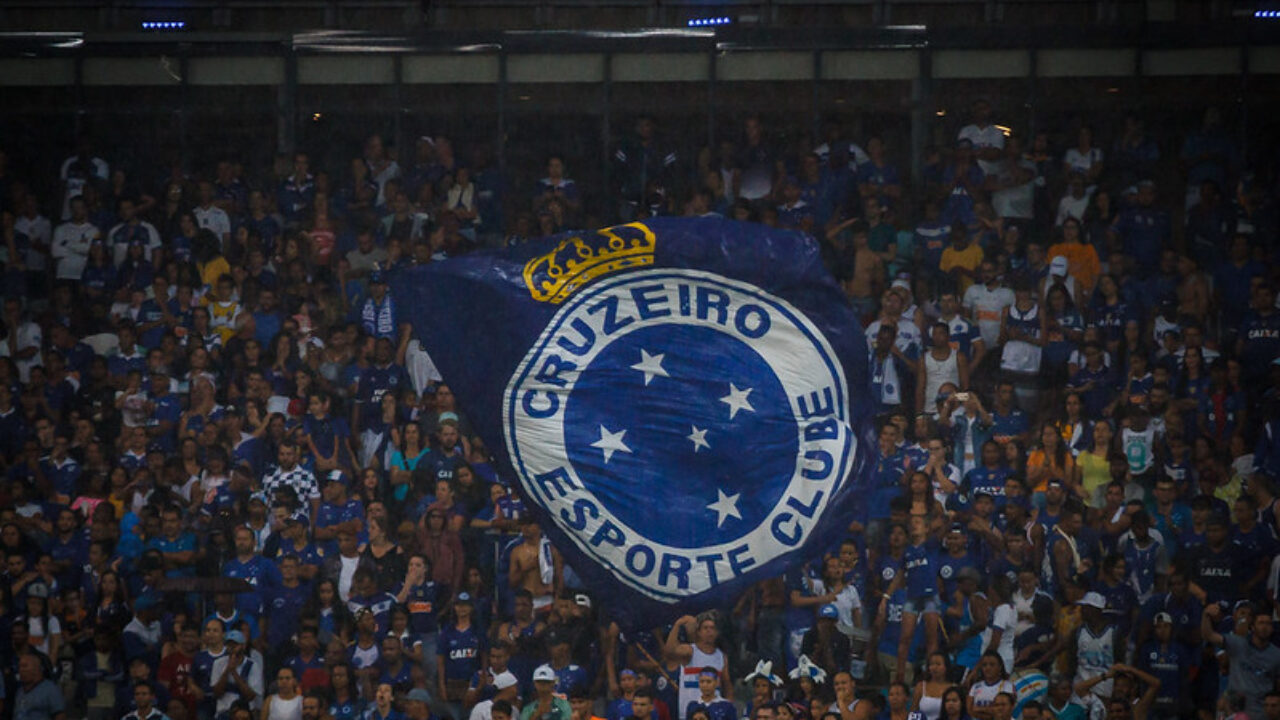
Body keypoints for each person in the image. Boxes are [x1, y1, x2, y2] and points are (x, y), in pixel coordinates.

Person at [1202, 604, 1280, 719]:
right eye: (1261, 623)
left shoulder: (1277, 654)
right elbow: (1209, 635)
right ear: (1252, 627)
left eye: (1268, 624)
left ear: (1272, 628)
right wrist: (1206, 615)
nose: (1264, 627)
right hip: (1235, 713)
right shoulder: (1237, 643)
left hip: (1262, 714)